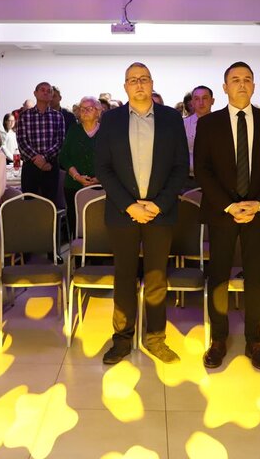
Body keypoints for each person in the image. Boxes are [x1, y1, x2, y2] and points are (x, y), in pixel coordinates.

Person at [194, 62, 260, 371]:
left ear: (254, 86)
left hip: (258, 213)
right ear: (225, 87)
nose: (242, 84)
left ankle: (253, 340)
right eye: (235, 80)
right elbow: (203, 170)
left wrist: (258, 203)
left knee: (255, 277)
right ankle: (218, 340)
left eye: (247, 79)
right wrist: (229, 206)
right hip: (222, 212)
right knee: (219, 275)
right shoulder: (209, 124)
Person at [96, 63, 189, 365]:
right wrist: (130, 205)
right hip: (122, 212)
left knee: (156, 277)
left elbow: (180, 167)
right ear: (125, 86)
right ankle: (122, 340)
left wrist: (158, 204)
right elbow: (103, 168)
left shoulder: (171, 118)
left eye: (144, 79)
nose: (139, 84)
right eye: (133, 80)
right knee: (124, 277)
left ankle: (156, 338)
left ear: (151, 83)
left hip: (160, 212)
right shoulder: (110, 120)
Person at [17, 82, 66, 204]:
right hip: (30, 166)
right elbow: (22, 141)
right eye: (42, 90)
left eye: (49, 91)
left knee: (49, 205)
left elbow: (60, 142)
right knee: (29, 204)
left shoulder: (58, 116)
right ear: (35, 93)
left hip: (50, 166)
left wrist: (44, 158)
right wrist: (37, 159)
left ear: (52, 95)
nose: (46, 92)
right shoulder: (24, 116)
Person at [59, 96, 101, 236]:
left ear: (98, 111)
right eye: (82, 109)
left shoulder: (106, 132)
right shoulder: (74, 130)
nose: (85, 112)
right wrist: (76, 176)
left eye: (89, 108)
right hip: (74, 186)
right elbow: (64, 156)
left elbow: (113, 158)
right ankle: (77, 249)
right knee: (76, 222)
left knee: (97, 223)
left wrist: (100, 178)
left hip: (101, 186)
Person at [183, 85, 215, 174]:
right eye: (197, 99)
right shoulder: (183, 125)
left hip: (216, 177)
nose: (201, 103)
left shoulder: (222, 124)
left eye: (205, 98)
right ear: (192, 102)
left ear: (212, 101)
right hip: (190, 177)